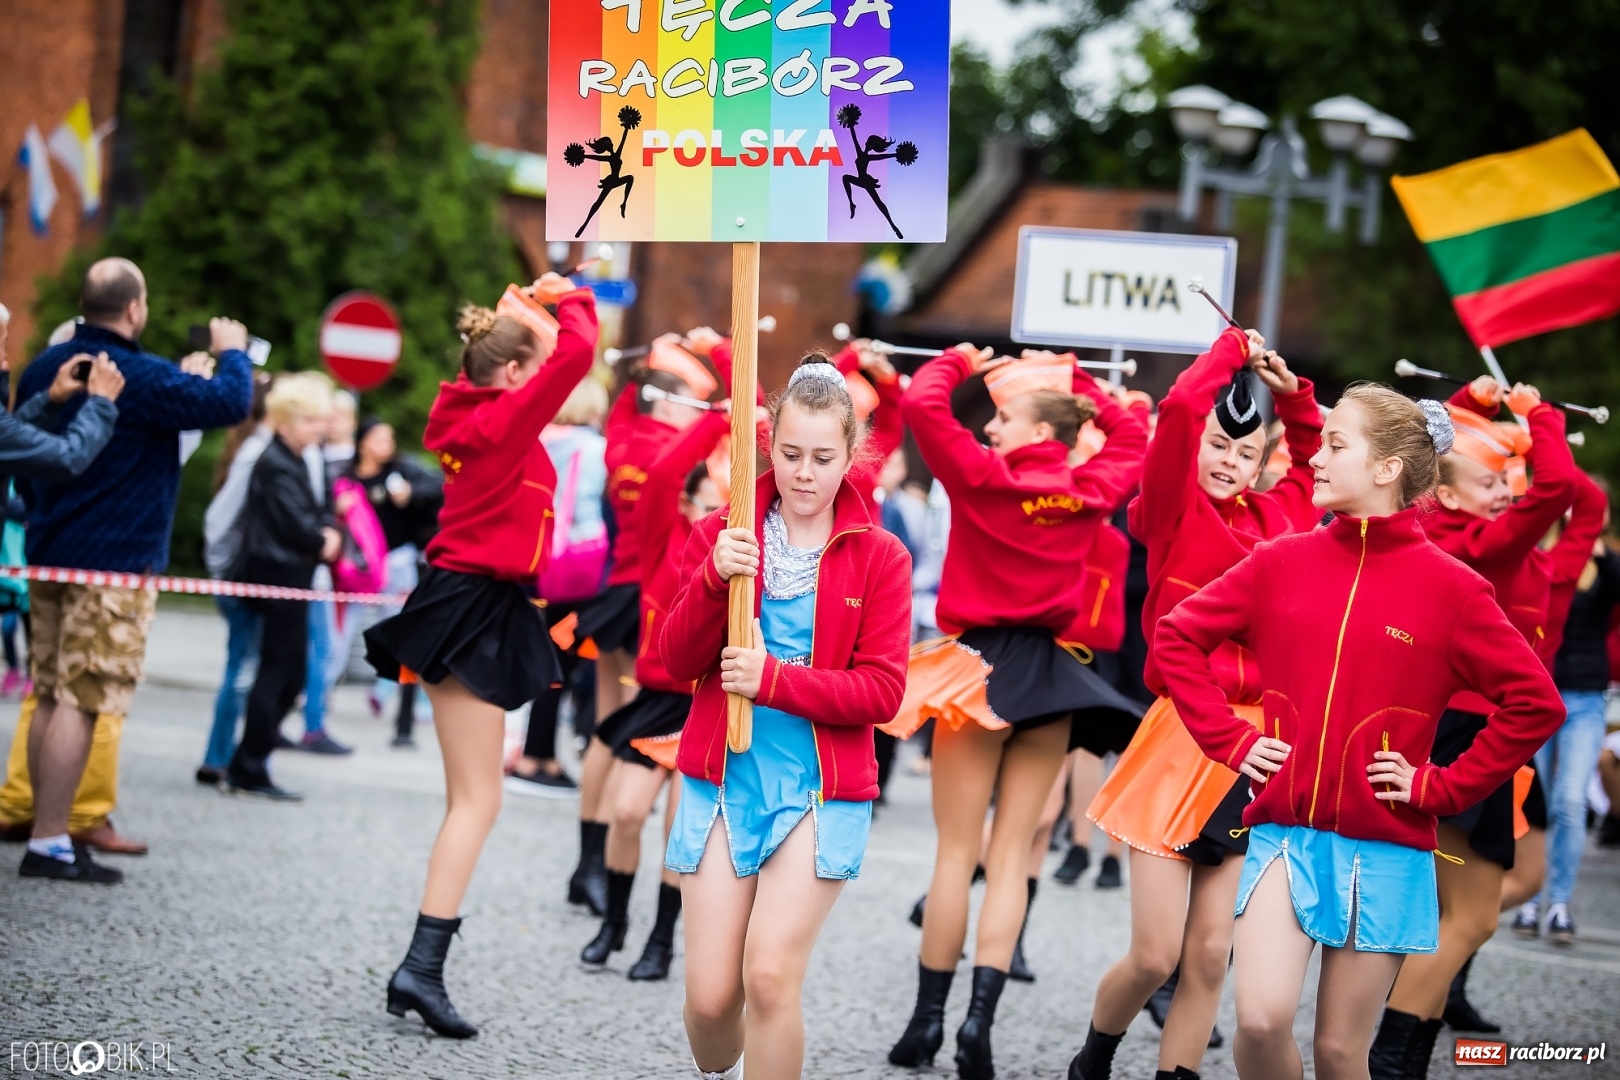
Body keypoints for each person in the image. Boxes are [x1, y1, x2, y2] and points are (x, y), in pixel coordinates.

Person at [1155, 385, 1563, 1080]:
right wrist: (1234, 742)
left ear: (1386, 470)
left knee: (1342, 1053)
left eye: (1335, 445)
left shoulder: (1454, 590)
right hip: (1283, 833)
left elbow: (1536, 703)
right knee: (1258, 1022)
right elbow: (1174, 640)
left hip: (1390, 850)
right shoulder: (1278, 562)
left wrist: (1442, 785)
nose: (1313, 458)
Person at [888, 346, 1147, 1080]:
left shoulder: (982, 478)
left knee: (953, 854)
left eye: (1005, 417)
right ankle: (978, 1024)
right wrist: (1078, 380)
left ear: (1041, 432)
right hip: (1050, 676)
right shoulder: (1087, 487)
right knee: (1009, 859)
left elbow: (921, 407)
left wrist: (959, 358)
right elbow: (1132, 433)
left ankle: (926, 1025)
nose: (993, 427)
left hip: (976, 669)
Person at [1073, 327, 1323, 1079]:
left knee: (1211, 956)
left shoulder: (1279, 525)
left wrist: (1298, 399)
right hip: (1179, 740)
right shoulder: (1170, 512)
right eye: (1219, 445)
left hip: (1256, 753)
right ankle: (1093, 1062)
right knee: (1155, 954)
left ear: (1261, 464)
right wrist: (1229, 351)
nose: (1227, 461)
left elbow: (1313, 474)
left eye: (1245, 454)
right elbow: (1181, 410)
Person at [660, 354, 912, 1080]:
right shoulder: (723, 533)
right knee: (711, 1003)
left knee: (769, 977)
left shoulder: (882, 557)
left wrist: (774, 680)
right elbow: (677, 660)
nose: (805, 473)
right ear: (770, 446)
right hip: (722, 777)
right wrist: (714, 579)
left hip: (820, 789)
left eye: (823, 457)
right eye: (792, 454)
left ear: (852, 455)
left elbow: (881, 694)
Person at [367, 273, 596, 1038]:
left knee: (473, 797)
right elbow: (581, 354)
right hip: (469, 603)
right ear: (511, 375)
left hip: (472, 600)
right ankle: (420, 968)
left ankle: (421, 967)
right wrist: (572, 299)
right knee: (477, 800)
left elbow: (561, 366)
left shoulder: (476, 415)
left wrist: (534, 310)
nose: (547, 382)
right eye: (537, 368)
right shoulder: (500, 419)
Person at [14, 258, 252, 883]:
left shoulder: (48, 367)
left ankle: (49, 830)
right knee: (81, 697)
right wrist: (233, 351)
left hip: (51, 551)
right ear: (136, 309)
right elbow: (230, 402)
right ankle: (49, 842)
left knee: (48, 691)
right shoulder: (137, 376)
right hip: (113, 566)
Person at [1376, 377, 1578, 1076]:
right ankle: (1391, 1059)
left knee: (1467, 916)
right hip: (1467, 731)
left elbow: (1564, 497)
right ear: (1450, 494)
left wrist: (1469, 400)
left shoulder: (1464, 530)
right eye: (1494, 480)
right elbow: (1560, 489)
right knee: (1467, 916)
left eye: (1508, 480)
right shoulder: (1477, 543)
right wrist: (1538, 414)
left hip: (1478, 729)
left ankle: (1402, 1056)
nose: (1510, 491)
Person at [580, 388, 729, 978]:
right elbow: (666, 468)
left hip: (702, 709)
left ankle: (662, 941)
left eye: (723, 506)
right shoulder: (660, 537)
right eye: (704, 502)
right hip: (654, 702)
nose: (711, 514)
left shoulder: (739, 558)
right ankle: (613, 924)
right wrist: (720, 417)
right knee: (625, 812)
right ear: (688, 503)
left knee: (679, 830)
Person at [568, 334, 715, 916]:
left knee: (608, 726)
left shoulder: (623, 439)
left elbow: (622, 406)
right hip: (647, 598)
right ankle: (601, 860)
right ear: (667, 405)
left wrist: (648, 366)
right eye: (687, 404)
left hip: (616, 589)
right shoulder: (671, 455)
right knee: (631, 730)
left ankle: (588, 863)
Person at [220, 374, 342, 800]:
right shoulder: (276, 462)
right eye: (309, 420)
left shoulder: (298, 458)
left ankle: (249, 761)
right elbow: (304, 528)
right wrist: (324, 537)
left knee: (286, 672)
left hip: (292, 575)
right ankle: (248, 766)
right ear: (287, 421)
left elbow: (321, 514)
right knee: (279, 673)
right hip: (279, 577)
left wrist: (326, 532)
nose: (318, 428)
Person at [1515, 474, 1616, 942]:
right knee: (1539, 802)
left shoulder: (1611, 567)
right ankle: (1528, 900)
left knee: (1571, 801)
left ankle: (1558, 902)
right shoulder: (1543, 559)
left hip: (1586, 697)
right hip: (1542, 695)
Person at [507, 376, 610, 797]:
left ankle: (540, 753)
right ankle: (537, 757)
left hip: (539, 559)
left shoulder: (540, 440)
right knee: (562, 666)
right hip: (579, 565)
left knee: (549, 658)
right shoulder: (594, 449)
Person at [345, 417, 444, 746]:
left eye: (389, 438)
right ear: (363, 441)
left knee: (403, 634)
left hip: (397, 564)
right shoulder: (347, 478)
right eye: (379, 438)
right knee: (348, 634)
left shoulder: (404, 471)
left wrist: (411, 492)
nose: (386, 444)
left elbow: (439, 485)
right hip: (357, 568)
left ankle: (404, 699)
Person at [198, 372, 274, 784]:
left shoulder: (249, 446)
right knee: (242, 669)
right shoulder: (257, 451)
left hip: (238, 577)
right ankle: (218, 755)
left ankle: (221, 753)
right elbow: (219, 521)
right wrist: (225, 570)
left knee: (240, 666)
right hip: (242, 579)